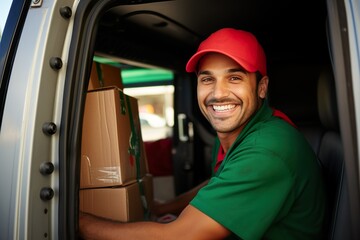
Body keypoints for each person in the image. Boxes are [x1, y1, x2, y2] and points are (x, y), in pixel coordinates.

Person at [79, 28, 326, 239]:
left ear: (261, 88)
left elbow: (178, 237)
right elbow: (221, 182)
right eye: (207, 79)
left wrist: (76, 220)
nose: (218, 93)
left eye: (235, 78)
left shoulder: (267, 150)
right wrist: (163, 207)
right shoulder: (245, 132)